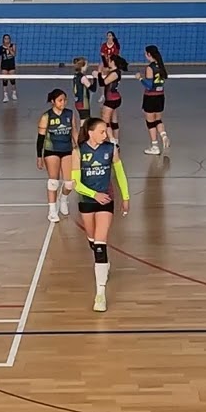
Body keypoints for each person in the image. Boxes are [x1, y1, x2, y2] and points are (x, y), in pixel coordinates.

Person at [70, 117, 130, 312]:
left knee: (100, 243)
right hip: (87, 202)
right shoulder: (78, 152)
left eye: (107, 131)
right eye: (103, 132)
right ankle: (103, 264)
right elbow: (76, 184)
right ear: (91, 133)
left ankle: (100, 294)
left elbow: (120, 173)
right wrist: (93, 194)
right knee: (92, 241)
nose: (106, 135)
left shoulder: (111, 150)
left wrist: (126, 196)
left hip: (106, 201)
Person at [37, 88, 78, 223]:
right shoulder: (46, 117)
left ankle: (63, 199)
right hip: (51, 151)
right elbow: (40, 139)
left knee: (69, 183)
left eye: (65, 100)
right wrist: (39, 157)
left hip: (67, 149)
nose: (63, 103)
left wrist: (79, 148)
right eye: (60, 100)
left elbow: (74, 132)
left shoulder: (69, 114)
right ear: (53, 101)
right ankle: (52, 211)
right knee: (53, 182)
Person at [139, 45, 169, 155]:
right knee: (158, 120)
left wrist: (140, 78)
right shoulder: (161, 65)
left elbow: (149, 85)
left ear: (149, 54)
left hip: (151, 97)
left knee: (150, 123)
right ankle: (164, 135)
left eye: (145, 53)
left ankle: (155, 146)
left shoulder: (150, 68)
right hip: (160, 96)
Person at [99, 53, 127, 144]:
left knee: (105, 121)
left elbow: (103, 83)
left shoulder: (115, 73)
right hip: (115, 99)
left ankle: (113, 141)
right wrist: (103, 57)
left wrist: (98, 73)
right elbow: (107, 69)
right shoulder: (114, 71)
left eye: (109, 60)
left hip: (111, 100)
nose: (108, 62)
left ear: (113, 62)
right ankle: (116, 140)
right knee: (114, 120)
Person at [71, 57, 93, 121]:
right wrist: (95, 78)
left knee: (83, 121)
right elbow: (93, 89)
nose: (87, 66)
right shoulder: (82, 77)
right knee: (84, 122)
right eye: (86, 65)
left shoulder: (76, 76)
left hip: (78, 101)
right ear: (82, 66)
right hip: (83, 103)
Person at [0, 34, 17, 103]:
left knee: (12, 80)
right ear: (3, 39)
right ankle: (5, 96)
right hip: (4, 65)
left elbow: (14, 54)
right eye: (5, 38)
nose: (7, 40)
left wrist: (8, 48)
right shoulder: (0, 47)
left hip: (11, 64)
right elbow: (0, 57)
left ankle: (14, 93)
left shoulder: (13, 45)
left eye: (8, 38)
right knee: (4, 80)